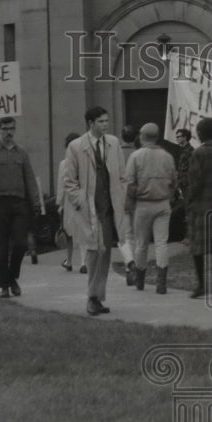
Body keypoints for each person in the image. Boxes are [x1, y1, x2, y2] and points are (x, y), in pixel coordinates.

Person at [63, 107, 129, 316]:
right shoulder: (76, 147)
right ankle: (92, 297)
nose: (105, 125)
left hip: (109, 207)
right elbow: (69, 181)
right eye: (100, 121)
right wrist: (80, 202)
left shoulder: (113, 143)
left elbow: (122, 174)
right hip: (89, 208)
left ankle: (98, 297)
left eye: (107, 121)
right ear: (90, 123)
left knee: (105, 252)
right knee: (93, 252)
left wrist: (121, 195)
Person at [0, 116, 41, 299]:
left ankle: (12, 276)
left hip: (18, 202)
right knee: (1, 245)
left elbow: (30, 179)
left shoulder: (21, 153)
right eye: (5, 129)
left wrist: (36, 202)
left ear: (15, 130)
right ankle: (4, 286)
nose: (8, 132)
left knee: (21, 244)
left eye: (11, 128)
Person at [125, 123, 176, 294]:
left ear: (142, 136)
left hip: (143, 204)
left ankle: (140, 280)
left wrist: (131, 201)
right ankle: (161, 283)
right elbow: (174, 181)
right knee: (161, 243)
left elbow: (130, 183)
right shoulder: (168, 156)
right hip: (163, 202)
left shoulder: (135, 156)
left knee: (141, 244)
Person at [184, 117, 212, 299]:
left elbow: (195, 181)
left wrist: (189, 200)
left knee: (198, 247)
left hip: (202, 206)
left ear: (202, 133)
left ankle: (201, 285)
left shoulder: (198, 153)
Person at [112, 124, 139, 285]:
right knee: (135, 235)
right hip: (136, 198)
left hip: (119, 197)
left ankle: (129, 263)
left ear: (121, 137)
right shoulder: (137, 154)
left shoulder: (115, 154)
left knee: (123, 236)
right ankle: (133, 266)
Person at [56, 132, 82, 273]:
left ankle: (70, 261)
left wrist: (59, 203)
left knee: (69, 232)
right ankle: (84, 262)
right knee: (83, 230)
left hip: (69, 201)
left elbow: (61, 185)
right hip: (82, 198)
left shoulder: (64, 164)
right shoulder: (85, 161)